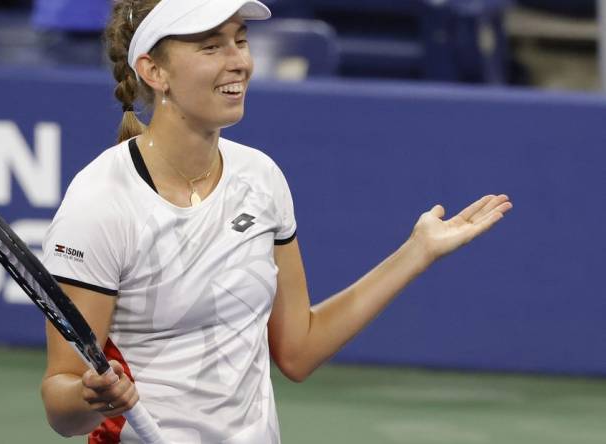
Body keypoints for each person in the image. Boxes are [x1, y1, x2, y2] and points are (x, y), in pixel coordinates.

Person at [39, 0, 514, 442]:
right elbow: (61, 405)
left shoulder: (260, 178)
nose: (239, 61)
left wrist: (417, 252)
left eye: (240, 40)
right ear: (154, 70)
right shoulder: (101, 202)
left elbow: (298, 350)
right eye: (211, 46)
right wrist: (89, 395)